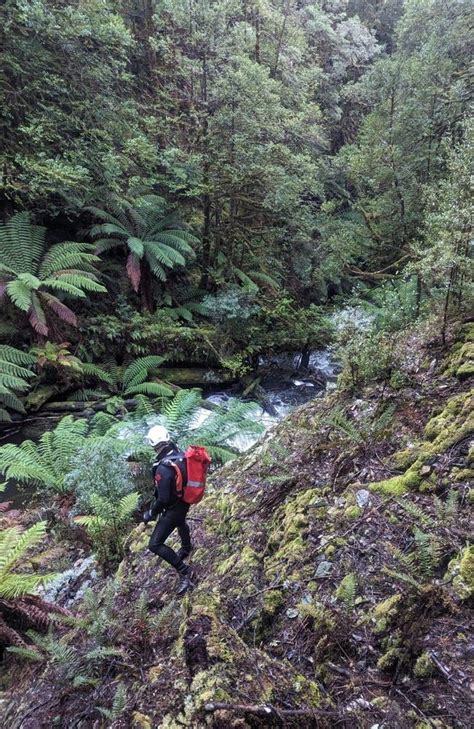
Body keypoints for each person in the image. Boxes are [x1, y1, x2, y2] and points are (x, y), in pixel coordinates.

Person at [143, 425, 195, 594]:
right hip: (185, 500)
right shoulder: (179, 454)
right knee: (180, 521)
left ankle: (186, 572)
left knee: (155, 544)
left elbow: (163, 499)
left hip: (174, 508)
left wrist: (151, 513)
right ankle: (186, 547)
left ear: (152, 444)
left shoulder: (163, 467)